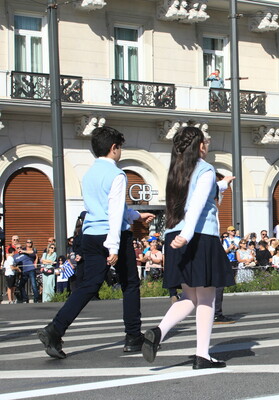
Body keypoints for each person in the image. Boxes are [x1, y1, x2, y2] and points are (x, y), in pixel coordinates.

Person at [37, 126, 155, 359]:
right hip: (113, 236)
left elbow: (106, 207)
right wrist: (113, 246)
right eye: (120, 147)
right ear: (114, 148)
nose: (120, 152)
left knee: (88, 286)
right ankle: (133, 337)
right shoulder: (117, 174)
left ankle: (55, 328)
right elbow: (112, 211)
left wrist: (135, 216)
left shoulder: (89, 173)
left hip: (90, 235)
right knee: (130, 284)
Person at [141, 126, 234, 369]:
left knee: (189, 296)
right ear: (200, 145)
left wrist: (221, 186)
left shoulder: (177, 170)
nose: (208, 143)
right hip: (198, 236)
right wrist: (188, 234)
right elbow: (198, 204)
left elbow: (194, 198)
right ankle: (202, 354)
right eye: (206, 140)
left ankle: (159, 331)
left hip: (174, 234)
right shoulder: (205, 169)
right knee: (206, 298)